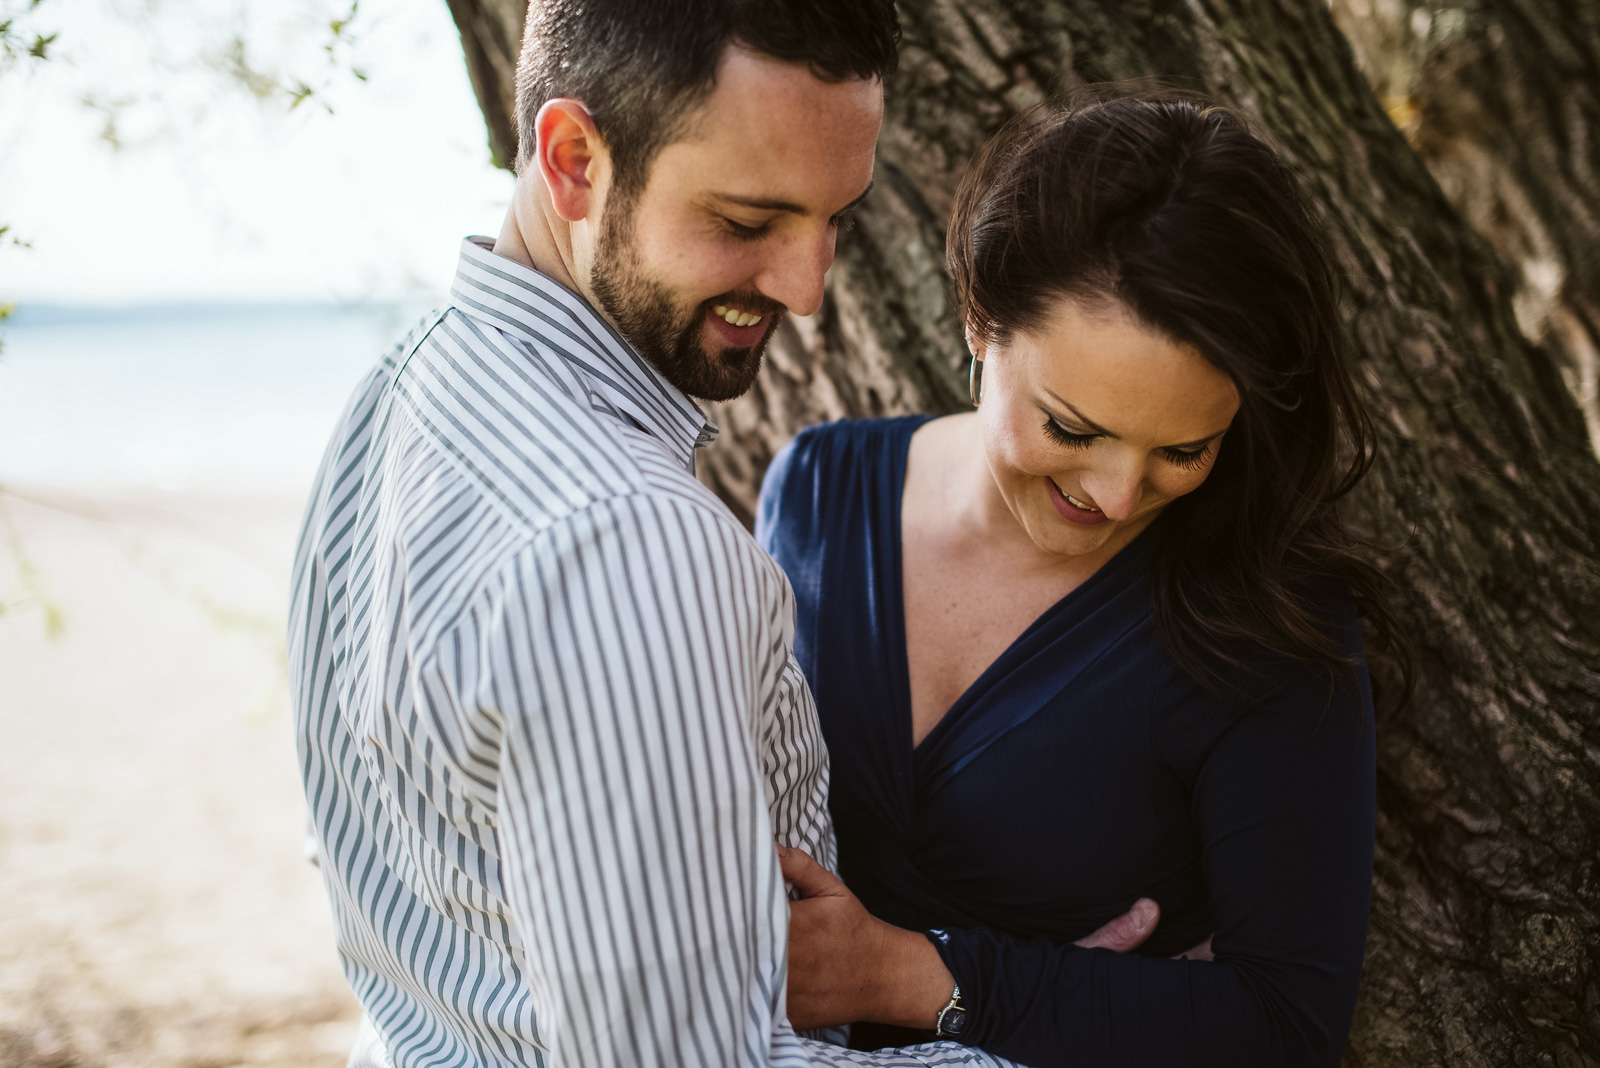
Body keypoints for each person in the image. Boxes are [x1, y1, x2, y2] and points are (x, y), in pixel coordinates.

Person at [288, 3, 1151, 1065]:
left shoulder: (400, 392)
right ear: (573, 161)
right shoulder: (630, 546)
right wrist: (1069, 1032)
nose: (806, 287)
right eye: (748, 222)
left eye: (836, 217)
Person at [758, 91, 1397, 1067]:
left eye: (1183, 449)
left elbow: (1282, 1025)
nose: (1115, 492)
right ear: (979, 320)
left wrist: (914, 978)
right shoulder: (812, 490)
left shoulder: (1264, 627)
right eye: (1071, 425)